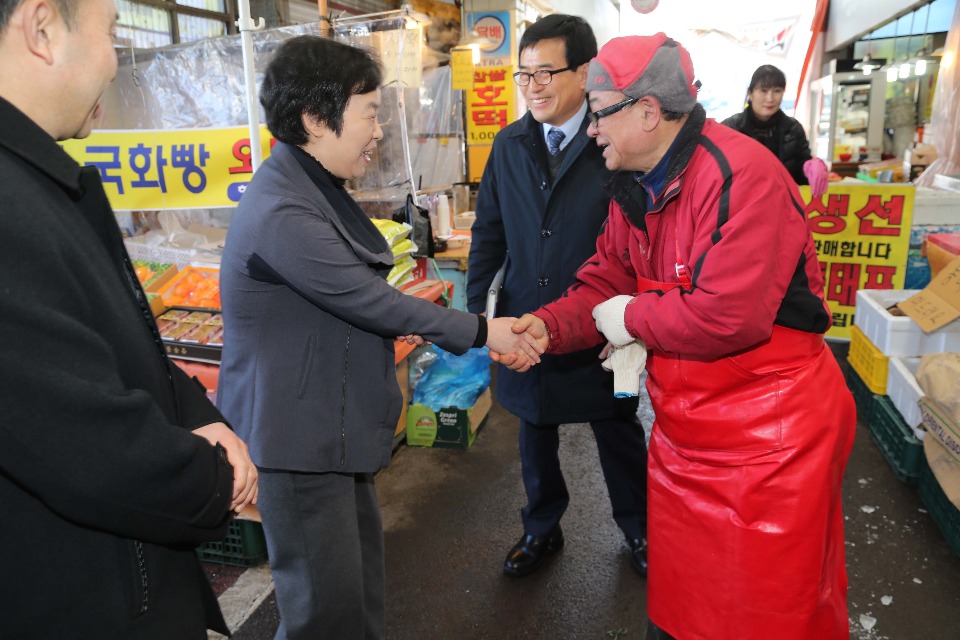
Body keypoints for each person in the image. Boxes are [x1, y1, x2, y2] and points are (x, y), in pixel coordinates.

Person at [507, 34, 856, 639]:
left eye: (599, 112)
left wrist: (632, 319)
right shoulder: (633, 185)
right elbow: (605, 278)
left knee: (767, 616)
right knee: (681, 612)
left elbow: (727, 317)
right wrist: (549, 325)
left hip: (771, 441)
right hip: (685, 436)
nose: (590, 129)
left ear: (647, 111)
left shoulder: (742, 175)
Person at [215, 35, 542, 640]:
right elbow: (368, 300)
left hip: (329, 436)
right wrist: (482, 330)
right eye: (369, 112)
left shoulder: (311, 185)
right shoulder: (282, 209)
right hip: (299, 445)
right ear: (316, 120)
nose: (378, 131)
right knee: (323, 613)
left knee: (355, 596)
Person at [0, 0, 258, 637]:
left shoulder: (44, 187)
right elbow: (89, 447)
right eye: (111, 34)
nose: (116, 64)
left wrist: (203, 420)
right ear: (40, 29)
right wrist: (218, 478)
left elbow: (121, 349)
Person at [466, 14, 649, 579]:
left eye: (547, 72)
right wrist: (478, 310)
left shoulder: (612, 140)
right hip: (527, 317)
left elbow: (641, 238)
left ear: (585, 71)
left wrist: (634, 322)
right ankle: (541, 527)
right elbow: (489, 232)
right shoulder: (510, 144)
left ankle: (640, 529)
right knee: (534, 431)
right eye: (525, 75)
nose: (535, 86)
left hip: (597, 319)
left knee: (616, 428)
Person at [721, 64, 829, 197]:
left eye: (777, 91)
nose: (770, 98)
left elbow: (800, 173)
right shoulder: (730, 128)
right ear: (751, 93)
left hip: (782, 204)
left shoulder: (793, 128)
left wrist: (810, 168)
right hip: (741, 205)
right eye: (764, 90)